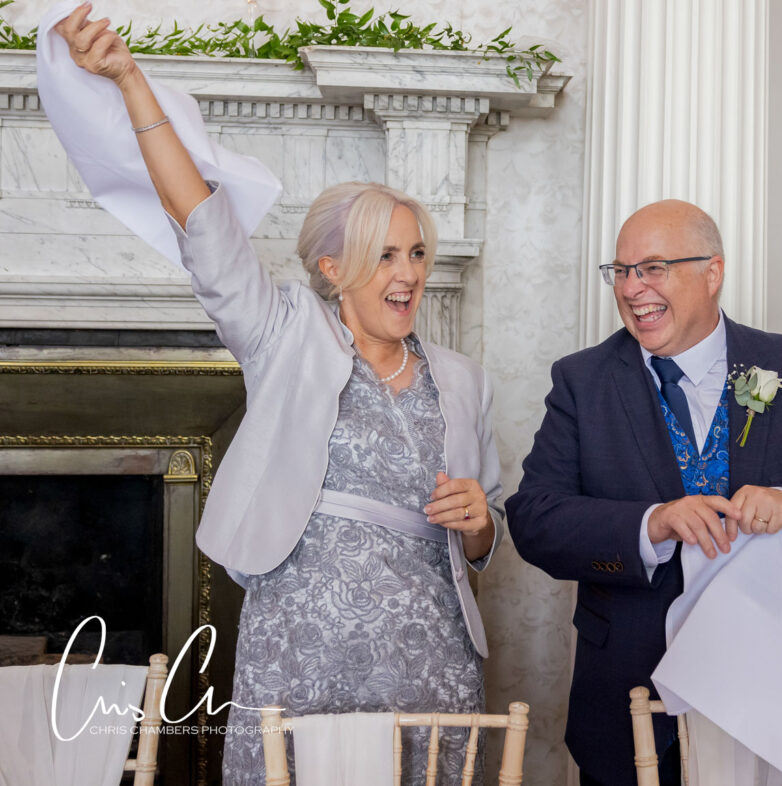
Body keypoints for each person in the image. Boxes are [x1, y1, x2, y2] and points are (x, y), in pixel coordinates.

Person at [53, 5, 503, 784]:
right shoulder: (283, 334)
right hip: (306, 647)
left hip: (430, 654)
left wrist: (477, 525)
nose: (409, 274)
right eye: (384, 254)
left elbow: (487, 535)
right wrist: (129, 81)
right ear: (332, 268)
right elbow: (201, 217)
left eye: (418, 254)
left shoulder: (462, 378)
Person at [505, 199, 782, 785]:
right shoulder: (582, 381)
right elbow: (535, 518)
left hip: (780, 700)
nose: (632, 288)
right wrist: (652, 524)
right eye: (620, 271)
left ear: (713, 271)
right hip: (629, 698)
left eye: (653, 268)